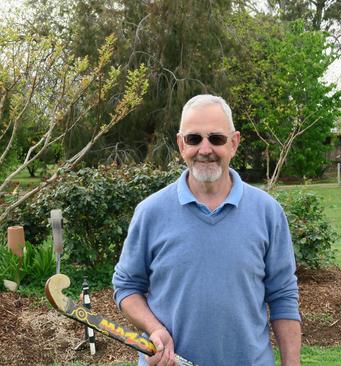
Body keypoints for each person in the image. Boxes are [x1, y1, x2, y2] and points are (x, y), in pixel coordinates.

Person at [112, 94, 301, 366]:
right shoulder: (150, 212)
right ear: (181, 145)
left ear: (234, 143)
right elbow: (127, 286)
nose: (205, 149)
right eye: (193, 139)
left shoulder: (267, 212)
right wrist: (154, 328)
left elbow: (283, 295)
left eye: (216, 138)